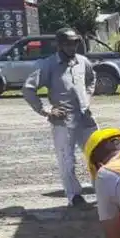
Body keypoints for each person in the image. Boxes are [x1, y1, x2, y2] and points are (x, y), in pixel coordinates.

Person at [22, 27, 98, 208]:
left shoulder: (82, 62)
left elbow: (91, 79)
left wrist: (87, 98)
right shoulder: (48, 65)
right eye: (68, 43)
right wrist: (46, 110)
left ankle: (102, 190)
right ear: (59, 45)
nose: (73, 47)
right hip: (64, 121)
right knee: (67, 160)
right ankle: (74, 196)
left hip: (85, 118)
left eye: (75, 42)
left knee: (97, 154)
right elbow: (28, 89)